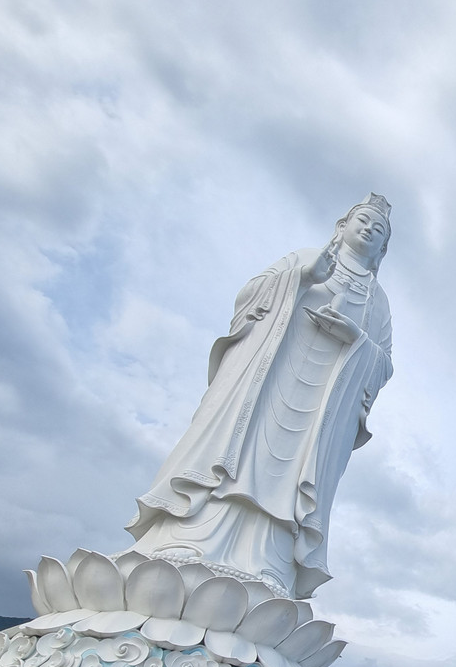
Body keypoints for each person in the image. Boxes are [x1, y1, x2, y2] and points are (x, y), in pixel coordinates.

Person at [126, 194, 395, 601]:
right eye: (363, 219)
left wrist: (355, 337)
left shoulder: (379, 303)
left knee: (291, 479)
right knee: (235, 454)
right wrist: (301, 278)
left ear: (383, 249)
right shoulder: (306, 258)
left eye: (379, 230)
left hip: (322, 407)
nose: (369, 229)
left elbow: (384, 364)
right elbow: (249, 299)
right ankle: (185, 539)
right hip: (267, 377)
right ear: (342, 226)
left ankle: (268, 562)